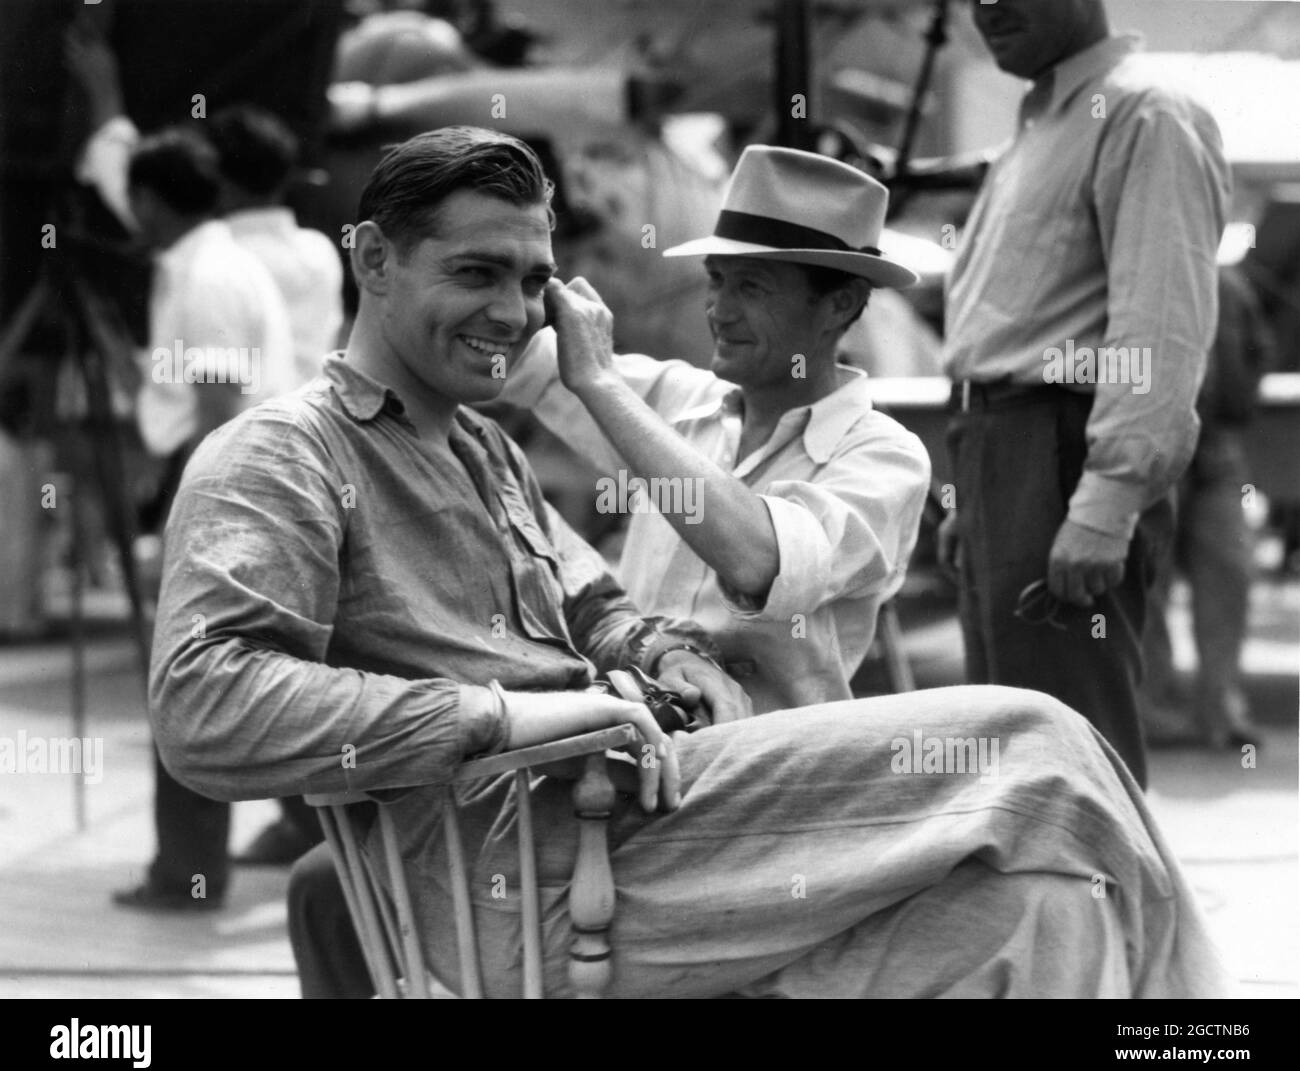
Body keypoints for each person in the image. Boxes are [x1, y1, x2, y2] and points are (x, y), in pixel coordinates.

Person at [150, 126, 1229, 998]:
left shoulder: (483, 448)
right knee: (1040, 738)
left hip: (650, 811)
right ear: (371, 260)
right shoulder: (282, 449)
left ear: (840, 307)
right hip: (541, 854)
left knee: (1049, 907)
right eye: (477, 271)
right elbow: (204, 705)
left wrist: (656, 652)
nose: (511, 309)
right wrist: (518, 714)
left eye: (531, 279)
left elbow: (606, 591)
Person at [501, 145, 932, 714]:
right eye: (717, 280)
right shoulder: (678, 400)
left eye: (751, 288)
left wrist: (601, 384)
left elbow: (761, 561)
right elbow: (510, 358)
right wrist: (515, 284)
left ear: (838, 304)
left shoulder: (885, 458)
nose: (719, 310)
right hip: (639, 737)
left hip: (772, 765)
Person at [937, 0, 1231, 788]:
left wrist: (1107, 501)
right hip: (1006, 451)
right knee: (1017, 753)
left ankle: (1126, 912)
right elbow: (1006, 327)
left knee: (1072, 758)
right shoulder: (1038, 127)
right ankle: (1065, 914)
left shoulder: (1147, 113)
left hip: (1061, 449)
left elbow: (1160, 329)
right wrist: (975, 496)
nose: (986, 8)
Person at [104, 126, 295, 912]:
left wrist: (189, 522)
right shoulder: (209, 263)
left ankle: (186, 871)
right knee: (249, 685)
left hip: (228, 496)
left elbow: (218, 408)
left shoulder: (209, 274)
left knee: (188, 688)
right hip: (246, 493)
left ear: (149, 201)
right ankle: (272, 848)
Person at [207, 104, 348, 864]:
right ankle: (308, 822)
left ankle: (204, 852)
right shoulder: (319, 251)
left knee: (239, 651)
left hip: (249, 466)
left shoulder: (216, 253)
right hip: (320, 461)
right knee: (309, 652)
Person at [1139, 265, 1272, 749]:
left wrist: (1240, 401)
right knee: (1150, 577)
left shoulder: (1231, 285)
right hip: (1155, 441)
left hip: (1218, 445)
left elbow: (1259, 350)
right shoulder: (1142, 274)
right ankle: (1154, 708)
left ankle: (1222, 704)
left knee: (1229, 570)